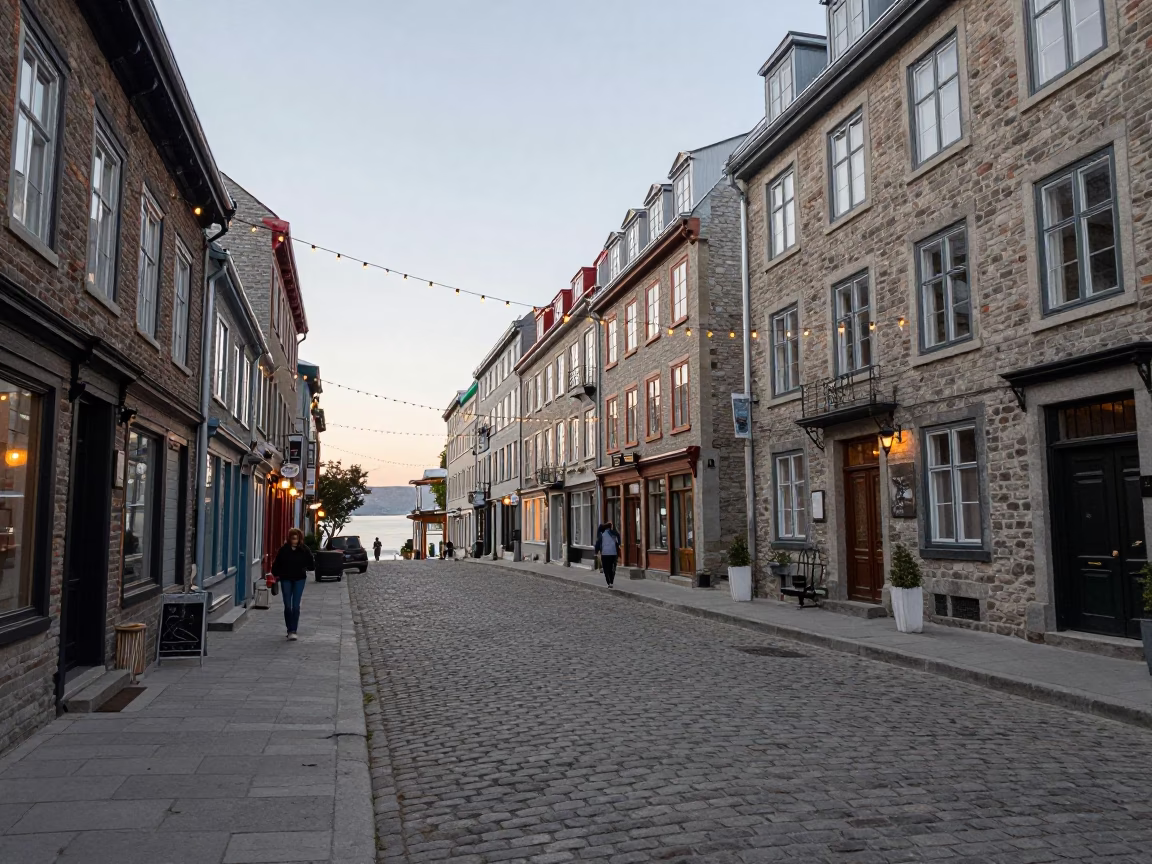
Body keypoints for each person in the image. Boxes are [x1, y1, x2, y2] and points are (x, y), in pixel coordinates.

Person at [271, 527, 315, 640]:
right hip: (286, 579)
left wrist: (306, 568)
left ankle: (293, 630)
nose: (294, 541)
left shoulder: (304, 550)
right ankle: (289, 629)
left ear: (299, 538)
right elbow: (276, 565)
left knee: (296, 606)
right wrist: (277, 574)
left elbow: (312, 564)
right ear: (289, 539)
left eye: (296, 538)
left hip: (299, 579)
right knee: (287, 606)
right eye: (292, 538)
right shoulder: (284, 550)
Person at [594, 521, 621, 588]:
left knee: (606, 568)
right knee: (612, 568)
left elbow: (597, 543)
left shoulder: (601, 535)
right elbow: (618, 538)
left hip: (605, 554)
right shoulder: (614, 533)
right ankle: (611, 581)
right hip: (613, 553)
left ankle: (608, 582)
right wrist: (619, 544)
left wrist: (596, 551)